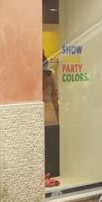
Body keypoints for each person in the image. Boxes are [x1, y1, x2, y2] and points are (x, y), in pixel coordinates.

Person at [43, 53, 60, 182]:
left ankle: (45, 173)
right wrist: (57, 113)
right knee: (51, 144)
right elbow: (55, 96)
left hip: (41, 111)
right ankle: (51, 172)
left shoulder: (34, 75)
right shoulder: (50, 76)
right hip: (50, 112)